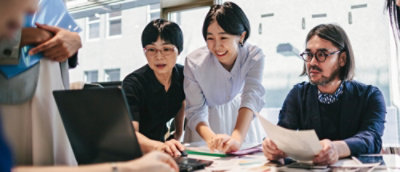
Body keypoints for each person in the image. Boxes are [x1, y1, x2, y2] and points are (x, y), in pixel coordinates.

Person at [0, 1, 178, 172]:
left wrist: (73, 40)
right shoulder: (135, 82)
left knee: (53, 154)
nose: (32, 9)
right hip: (15, 90)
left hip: (52, 91)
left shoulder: (181, 76)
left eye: (167, 49)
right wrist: (36, 36)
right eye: (152, 49)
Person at [262, 24, 386, 165]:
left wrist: (337, 149)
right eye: (309, 55)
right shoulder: (298, 94)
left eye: (321, 54)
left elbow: (372, 138)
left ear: (342, 59)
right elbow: (283, 133)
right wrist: (272, 146)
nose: (312, 62)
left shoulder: (370, 96)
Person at [184, 1, 265, 153]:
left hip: (241, 117)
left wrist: (236, 138)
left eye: (223, 38)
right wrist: (211, 139)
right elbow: (195, 110)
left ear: (241, 36)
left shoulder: (254, 56)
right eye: (210, 38)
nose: (216, 46)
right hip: (204, 124)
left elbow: (251, 96)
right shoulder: (194, 62)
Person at [122, 19, 185, 157]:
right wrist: (160, 146)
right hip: (135, 153)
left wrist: (178, 133)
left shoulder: (184, 75)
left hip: (161, 149)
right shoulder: (133, 84)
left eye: (166, 49)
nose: (159, 56)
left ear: (178, 51)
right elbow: (131, 135)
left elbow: (182, 101)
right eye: (151, 49)